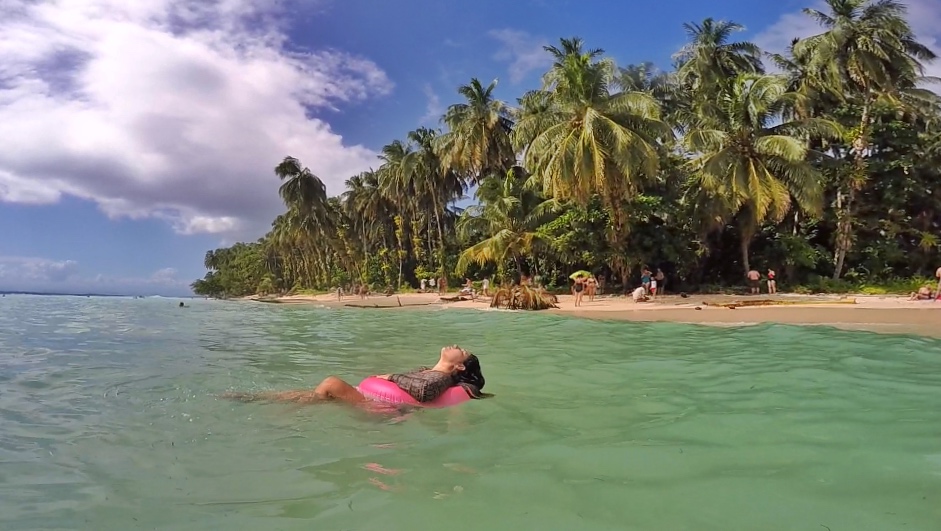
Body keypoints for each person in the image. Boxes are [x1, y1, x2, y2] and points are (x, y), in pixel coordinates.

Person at [223, 346, 486, 405]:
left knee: (330, 384)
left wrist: (393, 376)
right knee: (308, 393)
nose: (456, 346)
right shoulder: (427, 371)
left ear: (460, 367)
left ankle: (281, 416)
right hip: (376, 400)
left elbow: (425, 392)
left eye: (461, 351)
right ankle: (256, 398)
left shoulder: (441, 378)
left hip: (385, 410)